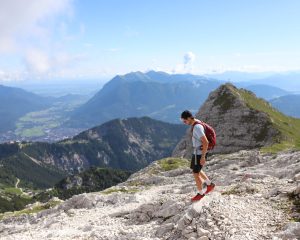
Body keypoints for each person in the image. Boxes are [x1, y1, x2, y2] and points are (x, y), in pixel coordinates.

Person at [181, 110, 215, 201]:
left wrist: (203, 157)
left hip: (199, 154)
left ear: (188, 118)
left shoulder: (197, 127)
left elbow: (205, 142)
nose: (185, 123)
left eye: (185, 121)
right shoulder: (197, 122)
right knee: (196, 170)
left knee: (196, 173)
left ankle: (201, 193)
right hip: (197, 153)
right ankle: (209, 184)